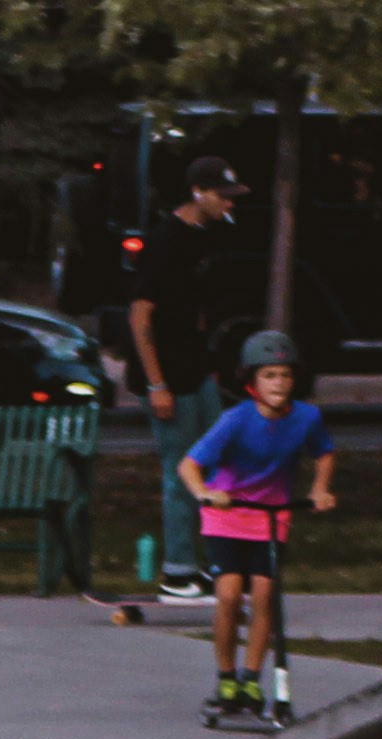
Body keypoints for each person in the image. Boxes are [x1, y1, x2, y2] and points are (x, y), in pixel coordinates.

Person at [180, 334, 332, 730]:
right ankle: (226, 680)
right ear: (252, 381)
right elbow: (189, 466)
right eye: (269, 376)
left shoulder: (307, 418)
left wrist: (319, 488)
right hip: (227, 515)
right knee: (229, 595)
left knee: (265, 595)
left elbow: (325, 452)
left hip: (272, 515)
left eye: (284, 375)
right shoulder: (235, 420)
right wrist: (205, 493)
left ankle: (251, 681)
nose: (278, 384)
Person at [128, 159, 252, 604]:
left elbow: (197, 311)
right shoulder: (165, 241)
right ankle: (177, 574)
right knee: (182, 470)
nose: (227, 205)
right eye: (221, 196)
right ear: (198, 191)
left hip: (196, 370)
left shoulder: (207, 238)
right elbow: (140, 315)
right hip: (168, 377)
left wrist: (210, 366)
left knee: (221, 461)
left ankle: (218, 564)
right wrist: (156, 383)